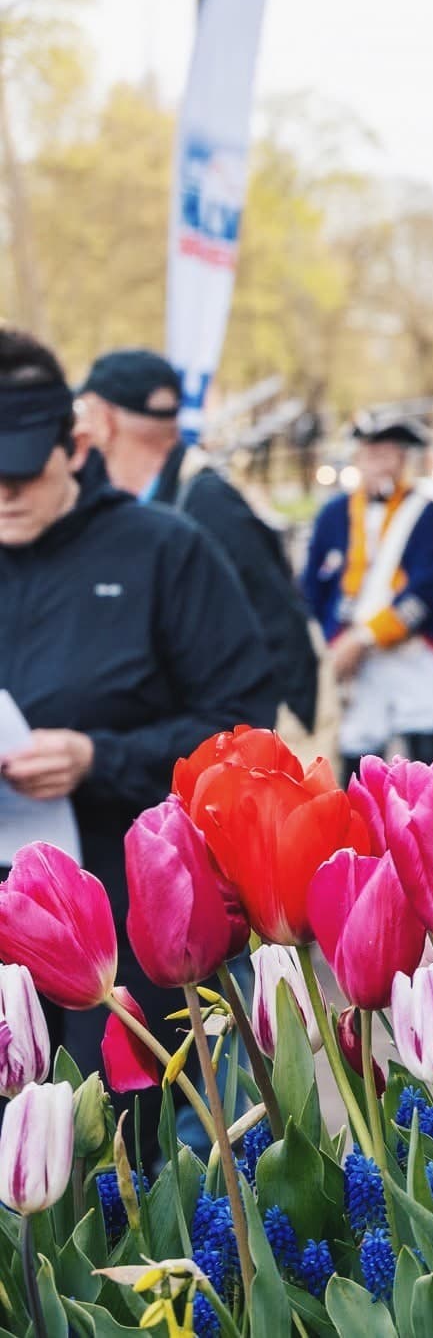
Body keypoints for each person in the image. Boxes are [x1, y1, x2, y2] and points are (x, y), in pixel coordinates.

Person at [0, 327, 273, 1090]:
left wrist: (98, 756)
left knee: (114, 1150)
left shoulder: (165, 550)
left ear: (75, 446)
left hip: (124, 919)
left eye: (19, 472)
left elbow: (243, 726)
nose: (4, 494)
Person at [74, 348, 319, 735]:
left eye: (82, 412)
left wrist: (279, 744)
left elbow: (276, 621)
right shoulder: (145, 499)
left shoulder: (205, 502)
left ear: (104, 420)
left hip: (233, 739)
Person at [300, 421, 433, 786]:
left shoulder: (423, 512)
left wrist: (366, 638)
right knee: (356, 758)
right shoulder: (333, 514)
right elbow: (313, 587)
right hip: (350, 659)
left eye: (390, 455)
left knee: (430, 744)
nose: (382, 465)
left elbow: (424, 588)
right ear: (358, 458)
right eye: (374, 455)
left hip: (408, 647)